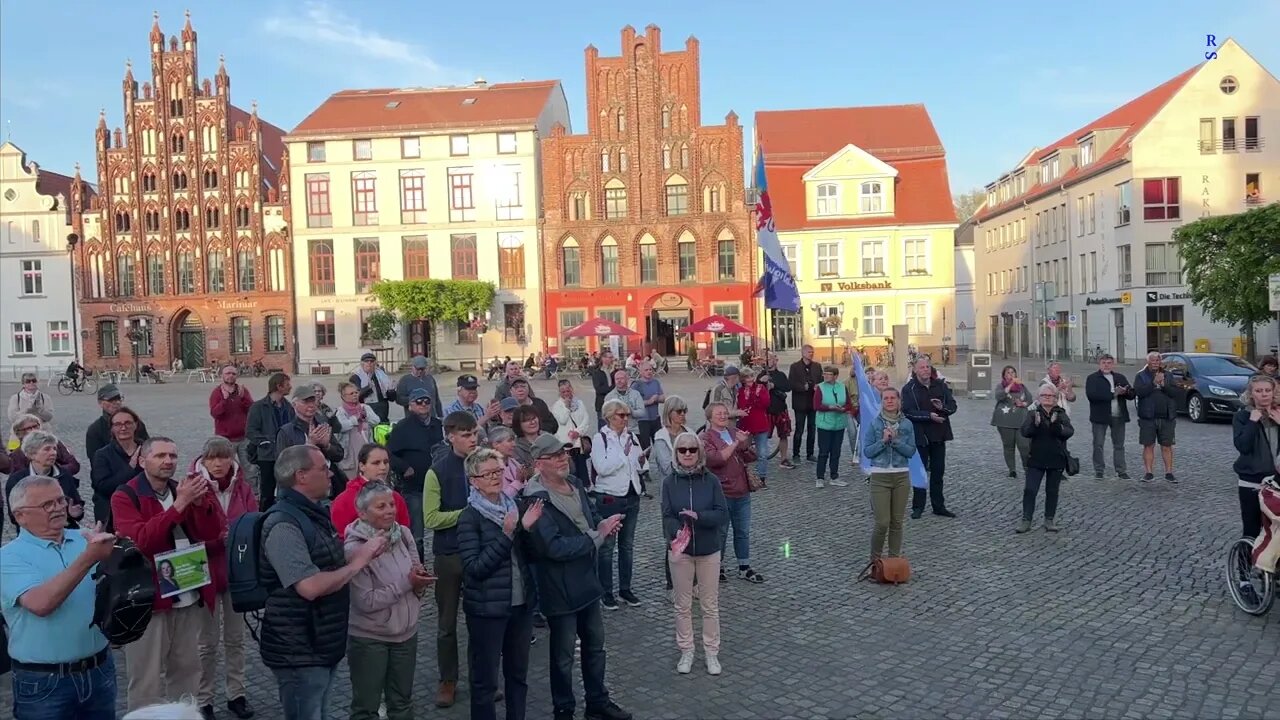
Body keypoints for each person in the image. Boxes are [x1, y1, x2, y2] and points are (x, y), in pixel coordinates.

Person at [260, 445, 387, 720]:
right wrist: (359, 561)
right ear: (301, 476)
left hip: (320, 643)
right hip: (298, 649)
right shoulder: (284, 525)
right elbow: (310, 587)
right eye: (322, 468)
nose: (330, 473)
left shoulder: (312, 513)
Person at [111, 437, 227, 712]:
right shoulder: (125, 495)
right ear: (142, 461)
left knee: (188, 673)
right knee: (146, 681)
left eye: (173, 456)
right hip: (149, 603)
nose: (168, 461)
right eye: (160, 455)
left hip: (188, 591)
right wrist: (178, 507)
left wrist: (199, 505)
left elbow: (211, 535)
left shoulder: (180, 489)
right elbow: (140, 542)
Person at [520, 435, 631, 720]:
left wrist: (603, 525)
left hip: (587, 582)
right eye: (554, 456)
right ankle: (564, 710)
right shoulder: (535, 501)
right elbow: (553, 548)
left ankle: (597, 702)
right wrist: (597, 535)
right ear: (539, 464)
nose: (562, 459)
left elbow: (591, 516)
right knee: (563, 657)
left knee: (595, 647)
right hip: (559, 590)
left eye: (564, 453)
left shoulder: (577, 484)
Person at [2, 475, 118, 720]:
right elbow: (41, 604)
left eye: (60, 500)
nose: (57, 508)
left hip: (99, 670)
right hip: (44, 682)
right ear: (20, 515)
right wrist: (89, 558)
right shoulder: (8, 558)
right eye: (46, 505)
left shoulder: (85, 538)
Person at [459, 447, 538, 720]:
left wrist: (524, 530)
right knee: (485, 682)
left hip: (520, 603)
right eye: (488, 473)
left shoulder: (512, 505)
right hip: (487, 610)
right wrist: (506, 535)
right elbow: (474, 569)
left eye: (499, 471)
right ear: (474, 480)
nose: (495, 477)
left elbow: (526, 557)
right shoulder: (469, 517)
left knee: (518, 676)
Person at [345, 481, 431, 720]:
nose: (390, 510)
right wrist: (408, 583)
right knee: (366, 708)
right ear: (362, 513)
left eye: (391, 504)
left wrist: (420, 583)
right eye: (381, 506)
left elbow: (416, 570)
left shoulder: (403, 533)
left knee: (402, 702)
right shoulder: (355, 548)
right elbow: (365, 601)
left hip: (406, 634)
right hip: (370, 639)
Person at [189, 436, 257, 720]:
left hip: (235, 572)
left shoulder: (242, 487)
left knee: (235, 638)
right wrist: (218, 541)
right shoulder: (193, 488)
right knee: (205, 643)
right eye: (212, 458)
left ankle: (236, 693)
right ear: (204, 461)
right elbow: (188, 533)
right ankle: (203, 698)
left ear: (232, 459)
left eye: (223, 457)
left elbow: (254, 520)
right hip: (204, 572)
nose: (218, 463)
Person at [422, 411, 481, 708]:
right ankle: (448, 679)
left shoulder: (484, 464)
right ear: (451, 436)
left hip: (479, 554)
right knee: (446, 624)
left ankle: (480, 678)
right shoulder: (438, 471)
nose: (472, 439)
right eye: (466, 434)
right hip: (449, 554)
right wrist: (468, 514)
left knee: (479, 620)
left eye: (474, 434)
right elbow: (431, 518)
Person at [662, 431, 728, 676]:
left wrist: (699, 517)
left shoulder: (711, 481)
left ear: (699, 452)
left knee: (710, 605)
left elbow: (722, 513)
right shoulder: (669, 483)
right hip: (681, 551)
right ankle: (686, 650)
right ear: (676, 454)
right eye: (682, 450)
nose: (687, 453)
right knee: (683, 605)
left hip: (709, 550)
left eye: (692, 449)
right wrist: (677, 532)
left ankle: (712, 652)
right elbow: (666, 514)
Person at [591, 398, 646, 610]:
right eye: (621, 415)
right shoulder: (600, 438)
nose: (625, 419)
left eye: (627, 415)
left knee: (627, 546)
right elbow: (602, 467)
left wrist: (641, 461)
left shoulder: (631, 436)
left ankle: (625, 588)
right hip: (610, 497)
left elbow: (641, 466)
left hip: (631, 495)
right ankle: (606, 591)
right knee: (607, 548)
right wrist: (624, 456)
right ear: (609, 417)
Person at [700, 402, 764, 584]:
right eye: (718, 413)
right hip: (722, 491)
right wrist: (737, 443)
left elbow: (752, 456)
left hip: (742, 490)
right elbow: (716, 459)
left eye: (725, 413)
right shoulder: (706, 438)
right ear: (710, 417)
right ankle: (717, 566)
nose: (723, 416)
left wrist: (744, 444)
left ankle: (744, 566)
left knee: (742, 531)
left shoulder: (734, 432)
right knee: (720, 532)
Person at [861, 388, 917, 560]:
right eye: (886, 398)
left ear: (899, 401)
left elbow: (911, 451)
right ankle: (875, 560)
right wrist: (884, 441)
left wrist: (896, 441)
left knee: (897, 522)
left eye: (893, 398)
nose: (890, 401)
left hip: (901, 476)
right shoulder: (874, 424)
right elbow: (868, 452)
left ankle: (893, 561)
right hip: (880, 476)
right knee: (882, 522)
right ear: (882, 401)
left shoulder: (907, 424)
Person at [387, 387, 444, 558]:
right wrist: (405, 467)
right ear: (410, 405)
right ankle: (417, 565)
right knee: (416, 534)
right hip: (414, 487)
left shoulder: (437, 424)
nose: (423, 404)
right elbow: (389, 453)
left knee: (442, 528)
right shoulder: (402, 427)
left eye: (427, 401)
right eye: (419, 401)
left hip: (438, 485)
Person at [901, 357, 958, 519]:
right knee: (920, 473)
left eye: (928, 367)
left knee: (938, 472)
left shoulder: (940, 385)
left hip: (939, 434)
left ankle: (938, 506)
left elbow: (953, 406)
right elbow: (908, 411)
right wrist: (929, 416)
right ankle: (918, 507)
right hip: (920, 437)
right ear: (916, 370)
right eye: (922, 367)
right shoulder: (909, 388)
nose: (925, 370)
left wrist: (943, 408)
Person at [1017, 387, 1075, 533]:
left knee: (1052, 491)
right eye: (1044, 395)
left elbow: (1069, 431)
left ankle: (1049, 520)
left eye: (1051, 395)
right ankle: (1026, 520)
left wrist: (1058, 428)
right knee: (1030, 490)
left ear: (1055, 398)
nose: (1048, 398)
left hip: (1056, 458)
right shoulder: (1033, 413)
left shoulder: (1061, 413)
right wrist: (1034, 425)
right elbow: (1025, 432)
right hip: (1036, 458)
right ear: (1039, 397)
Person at [651, 396, 691, 597]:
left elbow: (699, 458)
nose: (683, 415)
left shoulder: (689, 433)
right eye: (679, 412)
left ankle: (691, 583)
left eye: (684, 411)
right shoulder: (661, 437)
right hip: (670, 494)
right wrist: (687, 462)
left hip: (691, 492)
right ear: (669, 413)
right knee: (673, 539)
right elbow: (667, 466)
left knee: (693, 537)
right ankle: (672, 585)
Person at [330, 443, 412, 541]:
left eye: (386, 462)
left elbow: (405, 534)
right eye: (376, 463)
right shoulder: (343, 501)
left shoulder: (396, 497)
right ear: (362, 466)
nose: (383, 467)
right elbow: (342, 539)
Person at [6, 430, 86, 529]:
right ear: (32, 454)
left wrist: (76, 513)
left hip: (65, 529)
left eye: (54, 449)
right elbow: (14, 516)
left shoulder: (64, 474)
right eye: (47, 449)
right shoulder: (17, 480)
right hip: (33, 532)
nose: (53, 453)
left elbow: (77, 505)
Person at [1233, 375, 1280, 539]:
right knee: (1252, 530)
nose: (1264, 394)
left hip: (1277, 481)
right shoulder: (1242, 416)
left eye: (1268, 390)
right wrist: (1252, 423)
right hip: (1252, 480)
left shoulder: (1278, 414)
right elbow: (1243, 446)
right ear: (1251, 394)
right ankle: (1244, 564)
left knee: (1276, 531)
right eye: (1259, 391)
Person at [89, 407, 145, 530]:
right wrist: (130, 469)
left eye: (128, 423)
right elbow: (102, 486)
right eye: (118, 424)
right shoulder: (102, 455)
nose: (123, 428)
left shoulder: (147, 449)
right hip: (114, 513)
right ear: (112, 428)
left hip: (146, 507)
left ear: (136, 425)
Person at [245, 372, 295, 510]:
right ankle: (264, 517)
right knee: (267, 491)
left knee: (288, 489)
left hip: (286, 456)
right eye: (287, 384)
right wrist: (265, 442)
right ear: (279, 386)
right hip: (267, 456)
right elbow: (250, 431)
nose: (290, 387)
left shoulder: (288, 407)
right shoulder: (258, 407)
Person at [1084, 354, 1135, 480]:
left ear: (1113, 364)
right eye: (1104, 363)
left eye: (1109, 363)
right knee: (1098, 444)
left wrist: (1126, 392)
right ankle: (1099, 470)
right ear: (1099, 364)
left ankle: (1121, 470)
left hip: (1118, 415)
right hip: (1100, 416)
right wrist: (1113, 394)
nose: (1106, 365)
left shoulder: (1120, 377)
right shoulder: (1092, 378)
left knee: (1119, 445)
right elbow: (1092, 396)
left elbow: (1132, 394)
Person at [209, 364, 255, 488]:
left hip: (244, 437)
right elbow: (215, 413)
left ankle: (253, 495)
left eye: (233, 373)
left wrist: (243, 398)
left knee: (250, 468)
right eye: (227, 373)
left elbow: (252, 410)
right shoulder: (217, 393)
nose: (230, 376)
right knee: (226, 469)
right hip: (225, 438)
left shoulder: (242, 391)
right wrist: (224, 400)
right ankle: (228, 492)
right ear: (222, 376)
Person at [1135, 352, 1178, 483]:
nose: (1155, 362)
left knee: (1167, 445)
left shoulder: (1168, 375)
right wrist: (1153, 383)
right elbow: (1139, 393)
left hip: (1166, 416)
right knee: (1148, 445)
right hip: (1148, 417)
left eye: (1158, 360)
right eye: (1153, 360)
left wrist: (1164, 384)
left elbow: (1174, 393)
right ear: (1147, 362)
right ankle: (1148, 472)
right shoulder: (1141, 375)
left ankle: (1169, 472)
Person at [85, 383, 150, 468]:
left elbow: (148, 448)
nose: (116, 402)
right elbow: (96, 463)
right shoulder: (95, 430)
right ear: (100, 403)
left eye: (118, 399)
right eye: (111, 400)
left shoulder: (135, 423)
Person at [813, 365, 854, 489]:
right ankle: (820, 477)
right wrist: (830, 407)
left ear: (835, 376)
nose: (825, 376)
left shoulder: (842, 387)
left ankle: (834, 476)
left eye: (828, 374)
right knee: (823, 452)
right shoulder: (820, 387)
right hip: (824, 424)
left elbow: (848, 403)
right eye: (824, 374)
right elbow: (816, 405)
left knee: (836, 451)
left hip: (839, 423)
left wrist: (843, 409)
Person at [991, 366, 1033, 478]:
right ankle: (1012, 469)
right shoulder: (1001, 386)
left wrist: (1023, 404)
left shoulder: (1022, 387)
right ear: (1004, 375)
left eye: (1013, 372)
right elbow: (999, 396)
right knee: (1009, 446)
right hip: (1005, 421)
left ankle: (1027, 467)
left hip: (1021, 420)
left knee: (1024, 445)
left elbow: (1030, 399)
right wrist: (1010, 385)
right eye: (1008, 373)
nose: (1011, 374)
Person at [8, 413, 80, 478]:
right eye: (29, 428)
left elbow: (74, 465)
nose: (34, 430)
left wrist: (54, 471)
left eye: (35, 426)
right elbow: (17, 478)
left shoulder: (55, 443)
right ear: (19, 433)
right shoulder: (17, 455)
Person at [334, 381, 380, 478]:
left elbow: (376, 421)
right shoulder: (340, 411)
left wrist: (365, 416)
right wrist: (355, 419)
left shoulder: (365, 407)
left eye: (356, 392)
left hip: (366, 448)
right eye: (351, 393)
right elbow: (341, 427)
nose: (355, 395)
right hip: (349, 452)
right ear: (343, 396)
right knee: (351, 479)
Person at [551, 379, 593, 483]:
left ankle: (584, 488)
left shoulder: (579, 403)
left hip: (578, 442)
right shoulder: (557, 406)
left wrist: (578, 432)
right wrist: (566, 406)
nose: (566, 393)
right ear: (559, 393)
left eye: (568, 391)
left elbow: (585, 419)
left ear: (572, 390)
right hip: (566, 443)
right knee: (570, 468)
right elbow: (562, 420)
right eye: (563, 392)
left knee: (581, 467)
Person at [737, 370, 774, 487]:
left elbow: (766, 403)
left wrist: (754, 398)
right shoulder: (741, 391)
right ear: (743, 379)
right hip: (746, 425)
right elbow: (742, 406)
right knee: (743, 452)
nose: (750, 379)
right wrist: (754, 398)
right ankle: (744, 477)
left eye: (752, 376)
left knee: (762, 453)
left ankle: (761, 477)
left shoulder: (761, 388)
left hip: (760, 424)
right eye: (747, 377)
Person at [788, 345, 824, 462]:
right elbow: (791, 384)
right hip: (800, 403)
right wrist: (803, 387)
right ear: (803, 353)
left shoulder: (817, 366)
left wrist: (818, 386)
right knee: (799, 429)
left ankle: (810, 453)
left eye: (812, 352)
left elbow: (822, 382)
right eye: (809, 352)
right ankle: (796, 454)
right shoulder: (795, 367)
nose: (811, 354)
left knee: (812, 429)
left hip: (813, 403)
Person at [763, 354, 795, 469]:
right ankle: (761, 458)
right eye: (768, 359)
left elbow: (787, 387)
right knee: (763, 435)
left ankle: (784, 459)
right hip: (767, 410)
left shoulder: (780, 375)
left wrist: (774, 385)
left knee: (784, 434)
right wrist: (762, 382)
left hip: (780, 409)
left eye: (772, 359)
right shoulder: (762, 375)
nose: (770, 362)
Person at [350, 352, 396, 421]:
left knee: (382, 428)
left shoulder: (382, 375)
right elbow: (356, 396)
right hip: (366, 407)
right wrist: (369, 387)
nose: (369, 363)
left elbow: (392, 398)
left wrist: (391, 390)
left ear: (375, 363)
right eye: (366, 361)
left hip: (382, 407)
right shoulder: (356, 377)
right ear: (362, 364)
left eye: (371, 361)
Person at [396, 355, 442, 420]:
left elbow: (436, 399)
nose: (420, 371)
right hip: (413, 419)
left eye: (422, 369)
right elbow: (399, 399)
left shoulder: (430, 379)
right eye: (418, 369)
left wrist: (440, 415)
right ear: (413, 367)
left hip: (431, 417)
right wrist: (413, 400)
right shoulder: (405, 380)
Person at [632, 361, 665, 447]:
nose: (649, 372)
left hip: (655, 419)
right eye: (646, 370)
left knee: (659, 444)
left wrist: (657, 398)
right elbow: (633, 403)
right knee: (645, 446)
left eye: (650, 369)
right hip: (642, 420)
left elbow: (663, 398)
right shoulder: (636, 385)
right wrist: (648, 402)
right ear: (641, 372)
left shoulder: (656, 382)